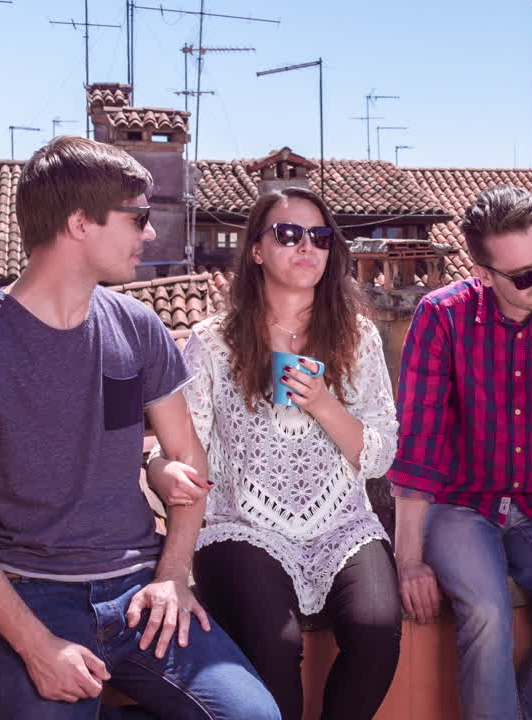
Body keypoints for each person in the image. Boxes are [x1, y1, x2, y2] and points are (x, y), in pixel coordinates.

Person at [0, 136, 279, 720]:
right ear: (80, 222)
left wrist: (173, 576)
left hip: (140, 590)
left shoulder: (138, 328)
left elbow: (189, 455)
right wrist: (38, 647)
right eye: (137, 216)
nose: (152, 233)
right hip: (28, 595)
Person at [146, 187, 402, 720]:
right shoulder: (212, 342)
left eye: (319, 236)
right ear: (257, 250)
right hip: (241, 524)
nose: (305, 246)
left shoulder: (358, 337)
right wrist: (159, 470)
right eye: (288, 234)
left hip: (343, 524)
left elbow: (380, 455)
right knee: (275, 645)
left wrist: (326, 404)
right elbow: (178, 445)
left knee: (378, 631)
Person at [390, 185, 532, 720]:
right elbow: (418, 442)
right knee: (488, 612)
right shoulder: (440, 317)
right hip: (459, 503)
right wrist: (408, 559)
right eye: (524, 276)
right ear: (484, 274)